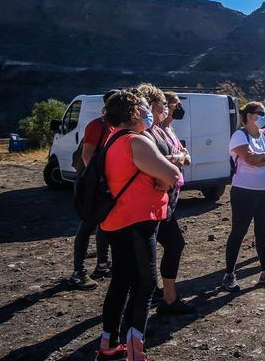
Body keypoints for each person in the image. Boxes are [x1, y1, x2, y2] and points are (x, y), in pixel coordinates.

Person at [96, 89, 181, 361]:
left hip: (116, 223)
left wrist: (159, 177)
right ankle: (135, 352)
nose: (150, 112)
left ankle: (108, 344)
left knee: (121, 281)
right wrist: (163, 178)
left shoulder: (112, 139)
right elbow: (173, 174)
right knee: (145, 285)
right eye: (145, 107)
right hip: (138, 222)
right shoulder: (136, 141)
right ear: (132, 113)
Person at [137, 86, 194, 315]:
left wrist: (176, 159)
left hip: (167, 202)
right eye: (171, 104)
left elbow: (183, 157)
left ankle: (168, 297)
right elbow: (160, 168)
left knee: (174, 244)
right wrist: (174, 162)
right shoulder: (147, 133)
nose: (176, 108)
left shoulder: (163, 131)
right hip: (151, 204)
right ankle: (150, 308)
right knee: (146, 261)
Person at [223, 102, 265, 291]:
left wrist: (262, 155)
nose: (264, 116)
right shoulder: (239, 135)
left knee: (263, 233)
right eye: (260, 113)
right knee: (239, 232)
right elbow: (250, 160)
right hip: (244, 190)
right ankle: (229, 275)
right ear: (249, 115)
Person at [68, 89, 119, 290]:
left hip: (105, 183)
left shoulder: (114, 126)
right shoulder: (96, 126)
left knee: (105, 223)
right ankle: (78, 272)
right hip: (92, 183)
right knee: (88, 224)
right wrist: (100, 181)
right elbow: (87, 155)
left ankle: (102, 265)